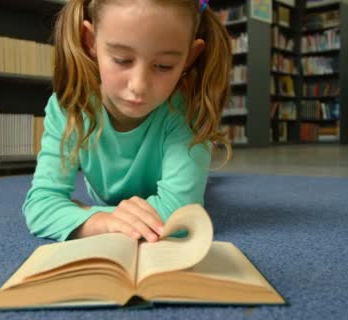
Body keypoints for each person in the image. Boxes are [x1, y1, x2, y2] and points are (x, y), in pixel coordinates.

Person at [23, 0, 232, 242]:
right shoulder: (68, 107)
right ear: (90, 41)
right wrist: (106, 221)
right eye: (122, 59)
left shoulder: (187, 111)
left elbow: (181, 216)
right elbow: (40, 207)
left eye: (164, 66)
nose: (138, 86)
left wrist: (84, 213)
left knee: (206, 185)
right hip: (119, 199)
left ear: (189, 57)